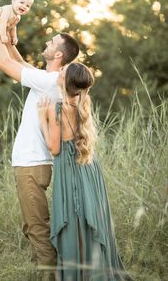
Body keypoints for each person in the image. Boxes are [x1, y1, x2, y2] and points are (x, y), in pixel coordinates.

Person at [0, 12, 79, 278]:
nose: (47, 43)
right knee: (32, 225)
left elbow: (2, 62)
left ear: (58, 55)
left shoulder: (51, 81)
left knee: (37, 226)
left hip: (32, 164)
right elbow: (18, 62)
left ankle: (49, 274)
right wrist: (8, 34)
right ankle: (41, 271)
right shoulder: (47, 78)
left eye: (52, 42)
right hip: (32, 163)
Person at [38, 63, 134, 281]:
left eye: (63, 71)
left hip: (70, 171)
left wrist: (42, 118)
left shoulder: (56, 108)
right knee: (88, 220)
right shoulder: (83, 103)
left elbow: (54, 149)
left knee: (74, 221)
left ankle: (79, 274)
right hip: (89, 169)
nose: (59, 71)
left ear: (66, 81)